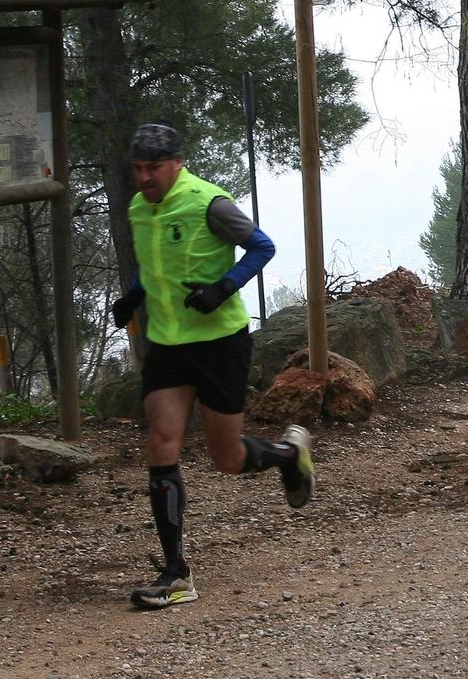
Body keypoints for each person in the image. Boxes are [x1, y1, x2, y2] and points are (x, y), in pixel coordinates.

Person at [110, 122, 315, 610]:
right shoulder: (140, 209)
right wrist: (133, 297)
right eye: (138, 168)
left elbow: (263, 247)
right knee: (161, 443)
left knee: (227, 458)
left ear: (176, 162)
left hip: (220, 342)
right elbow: (155, 264)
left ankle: (289, 456)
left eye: (153, 167)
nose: (144, 178)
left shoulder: (209, 203)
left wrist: (223, 287)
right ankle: (176, 574)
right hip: (166, 346)